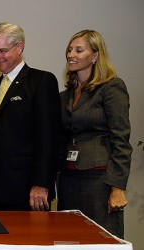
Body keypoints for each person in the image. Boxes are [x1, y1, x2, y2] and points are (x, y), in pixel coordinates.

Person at [0, 22, 61, 211]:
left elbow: (49, 137)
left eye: (2, 51)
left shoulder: (41, 81)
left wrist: (42, 183)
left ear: (19, 47)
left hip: (27, 190)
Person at [57, 30, 132, 239]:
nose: (71, 54)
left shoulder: (111, 87)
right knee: (69, 239)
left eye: (79, 50)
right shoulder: (64, 96)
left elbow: (121, 139)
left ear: (96, 55)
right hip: (68, 179)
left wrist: (117, 187)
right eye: (70, 49)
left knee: (101, 239)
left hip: (99, 181)